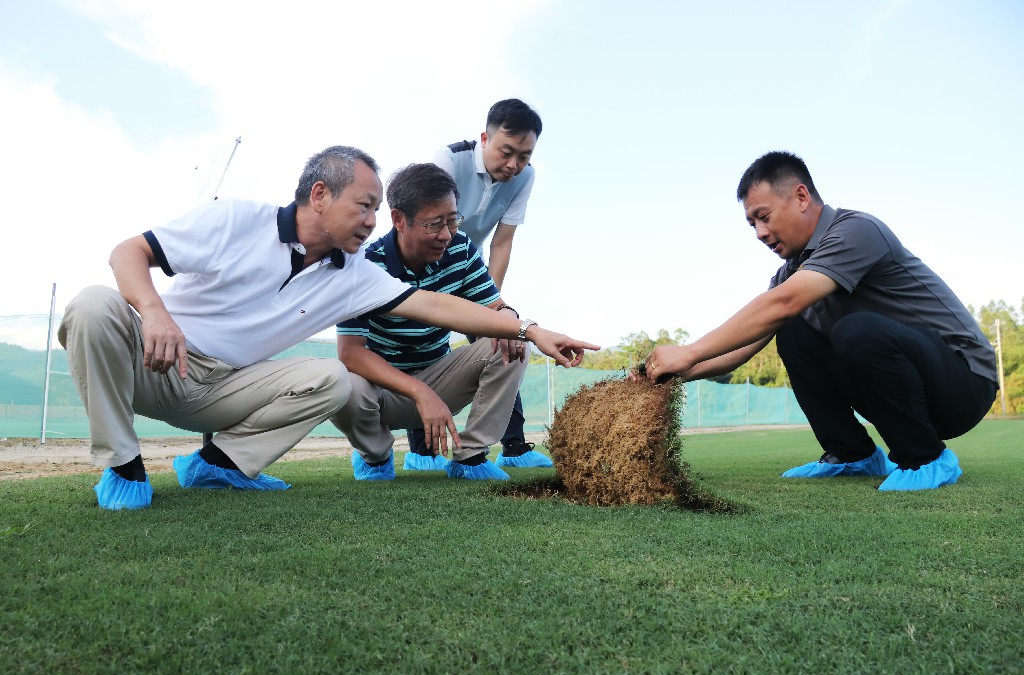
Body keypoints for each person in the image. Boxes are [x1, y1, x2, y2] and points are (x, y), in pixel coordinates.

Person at [58, 145, 597, 510]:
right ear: (320, 196)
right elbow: (128, 251)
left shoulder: (353, 274)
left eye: (374, 210)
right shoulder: (234, 219)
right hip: (158, 362)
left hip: (222, 389)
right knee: (93, 305)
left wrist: (527, 328)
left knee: (329, 378)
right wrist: (154, 312)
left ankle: (218, 464)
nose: (371, 220)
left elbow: (438, 307)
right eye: (364, 206)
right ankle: (124, 466)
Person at [641, 151, 997, 492]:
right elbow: (744, 346)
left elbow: (781, 303)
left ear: (800, 196)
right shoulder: (789, 275)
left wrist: (688, 349)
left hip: (964, 383)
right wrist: (673, 373)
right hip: (903, 391)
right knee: (793, 331)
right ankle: (852, 453)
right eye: (752, 224)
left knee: (853, 329)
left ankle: (924, 458)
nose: (760, 233)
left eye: (764, 216)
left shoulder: (856, 230)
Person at [331, 163, 534, 480]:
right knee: (342, 381)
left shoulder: (461, 249)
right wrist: (417, 392)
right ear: (399, 219)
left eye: (453, 221)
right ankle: (375, 456)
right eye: (434, 224)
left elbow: (495, 307)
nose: (446, 234)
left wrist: (508, 316)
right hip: (382, 390)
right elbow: (350, 353)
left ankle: (470, 457)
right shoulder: (364, 265)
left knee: (512, 339)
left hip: (441, 382)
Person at [402, 97, 548, 467]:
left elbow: (502, 241)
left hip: (472, 271)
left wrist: (491, 307)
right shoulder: (448, 160)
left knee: (504, 339)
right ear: (485, 138)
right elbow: (426, 220)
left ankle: (512, 448)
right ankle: (422, 453)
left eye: (524, 156)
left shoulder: (525, 177)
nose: (514, 165)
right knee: (424, 346)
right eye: (506, 151)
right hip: (429, 268)